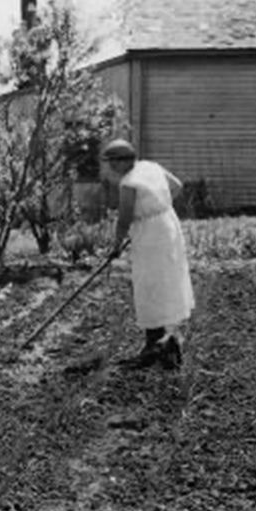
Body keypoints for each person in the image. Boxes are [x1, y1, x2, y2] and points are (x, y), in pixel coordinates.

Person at [100, 138, 195, 370]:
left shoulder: (129, 183)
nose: (111, 167)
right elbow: (177, 186)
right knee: (165, 282)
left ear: (124, 161)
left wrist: (115, 247)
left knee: (150, 284)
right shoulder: (151, 167)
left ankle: (157, 346)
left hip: (152, 236)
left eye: (113, 162)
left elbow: (124, 219)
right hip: (167, 224)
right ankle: (164, 342)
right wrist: (157, 207)